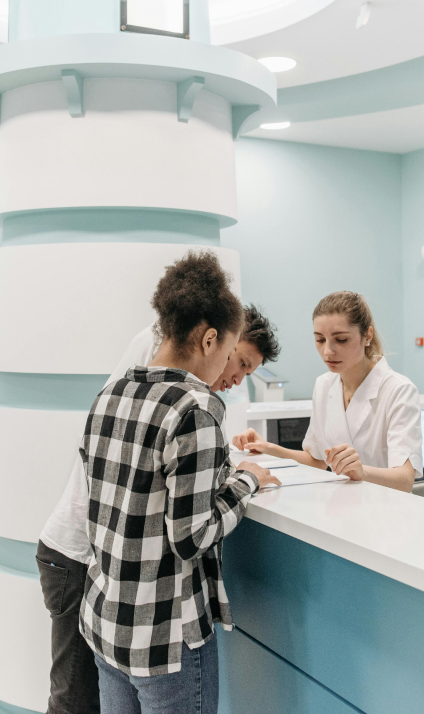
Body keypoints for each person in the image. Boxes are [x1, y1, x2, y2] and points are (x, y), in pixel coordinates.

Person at [36, 276, 280, 714]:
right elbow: (190, 536)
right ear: (209, 340)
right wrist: (247, 483)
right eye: (230, 356)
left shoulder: (110, 395)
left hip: (108, 630)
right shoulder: (196, 409)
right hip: (166, 639)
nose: (231, 374)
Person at [235, 291, 422, 492]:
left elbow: (404, 480)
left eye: (340, 340)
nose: (328, 351)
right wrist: (269, 448)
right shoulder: (324, 385)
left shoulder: (399, 391)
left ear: (367, 336)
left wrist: (362, 472)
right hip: (338, 509)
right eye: (320, 340)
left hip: (386, 511)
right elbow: (316, 460)